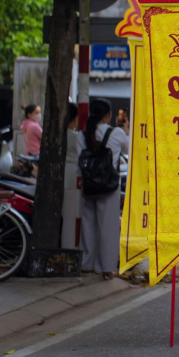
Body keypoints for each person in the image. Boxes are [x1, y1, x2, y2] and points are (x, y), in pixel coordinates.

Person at [77, 98, 129, 277]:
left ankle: (85, 264)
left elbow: (80, 160)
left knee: (88, 224)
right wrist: (127, 129)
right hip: (109, 186)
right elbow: (129, 149)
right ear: (107, 115)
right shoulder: (117, 133)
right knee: (108, 226)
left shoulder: (82, 135)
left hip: (89, 185)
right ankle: (106, 267)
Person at [62, 103, 80, 249]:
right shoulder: (75, 137)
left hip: (62, 173)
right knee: (70, 214)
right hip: (72, 175)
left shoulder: (56, 136)